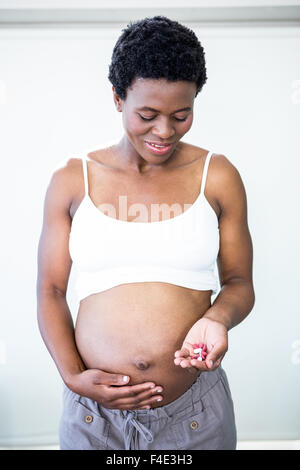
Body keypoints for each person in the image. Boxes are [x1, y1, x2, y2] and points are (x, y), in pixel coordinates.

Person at [36, 15, 255, 450]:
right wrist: (73, 377)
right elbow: (51, 290)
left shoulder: (218, 175)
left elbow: (239, 283)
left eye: (181, 115)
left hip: (194, 415)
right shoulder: (71, 179)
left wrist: (216, 319)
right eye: (148, 114)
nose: (164, 131)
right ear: (118, 99)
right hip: (93, 418)